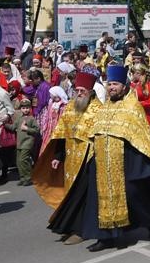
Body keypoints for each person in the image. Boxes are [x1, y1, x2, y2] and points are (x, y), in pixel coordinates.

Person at [47, 65, 150, 252]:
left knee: (134, 197)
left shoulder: (132, 106)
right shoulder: (104, 107)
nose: (112, 88)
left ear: (124, 87)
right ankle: (107, 238)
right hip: (102, 162)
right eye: (110, 84)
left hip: (128, 162)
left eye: (115, 84)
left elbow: (142, 137)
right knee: (100, 200)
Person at [33, 72, 102, 243]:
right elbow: (61, 133)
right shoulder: (71, 106)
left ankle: (80, 230)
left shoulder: (98, 110)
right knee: (71, 193)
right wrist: (58, 156)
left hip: (89, 157)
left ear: (90, 92)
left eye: (82, 91)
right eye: (77, 90)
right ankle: (71, 227)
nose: (79, 94)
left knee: (82, 194)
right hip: (70, 158)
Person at [14, 98, 40, 187]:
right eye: (23, 108)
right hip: (19, 143)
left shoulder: (31, 119)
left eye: (27, 108)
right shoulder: (19, 118)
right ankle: (23, 178)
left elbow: (37, 130)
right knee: (18, 161)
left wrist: (27, 128)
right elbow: (13, 127)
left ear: (30, 108)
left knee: (23, 159)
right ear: (21, 109)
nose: (25, 110)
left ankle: (28, 178)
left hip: (27, 142)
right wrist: (5, 124)